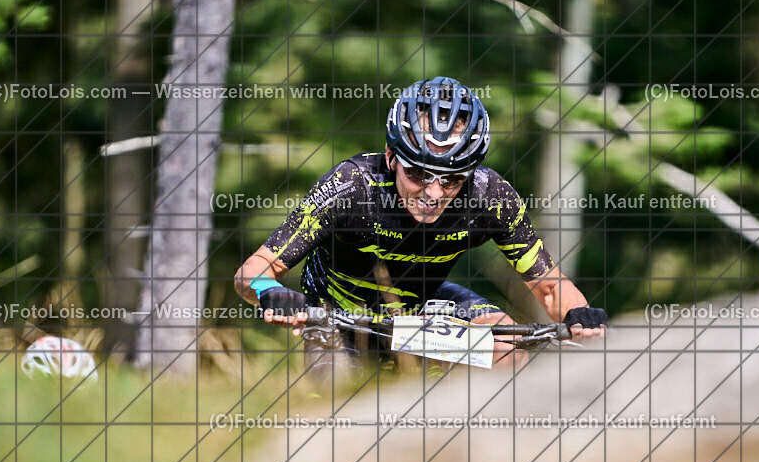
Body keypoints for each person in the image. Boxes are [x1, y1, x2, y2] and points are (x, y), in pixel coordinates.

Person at [235, 76, 607, 378]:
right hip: (338, 318)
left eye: (452, 180)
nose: (433, 193)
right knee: (333, 407)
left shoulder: (490, 197)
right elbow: (252, 272)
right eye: (417, 174)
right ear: (391, 157)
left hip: (419, 311)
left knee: (505, 347)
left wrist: (581, 316)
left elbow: (550, 288)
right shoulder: (352, 187)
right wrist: (271, 291)